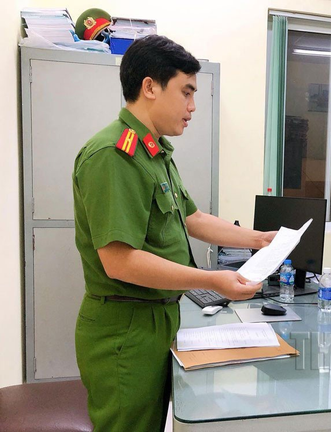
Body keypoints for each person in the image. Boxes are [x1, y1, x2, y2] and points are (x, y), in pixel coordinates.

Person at [72, 35, 275, 432]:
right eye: (186, 92)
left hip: (156, 317)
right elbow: (119, 261)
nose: (192, 106)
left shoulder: (154, 151)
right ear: (150, 87)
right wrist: (211, 280)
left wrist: (258, 239)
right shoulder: (115, 155)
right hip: (126, 326)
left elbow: (192, 218)